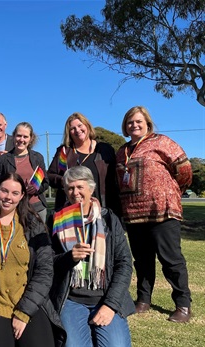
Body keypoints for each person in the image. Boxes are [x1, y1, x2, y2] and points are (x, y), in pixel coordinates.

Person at [0, 173, 65, 347]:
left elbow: (45, 272)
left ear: (22, 196)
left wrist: (24, 312)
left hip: (29, 301)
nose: (8, 197)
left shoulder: (34, 224)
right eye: (4, 191)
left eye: (15, 193)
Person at [116, 106, 193, 323]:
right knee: (142, 259)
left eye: (139, 121)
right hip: (133, 213)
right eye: (130, 122)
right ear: (125, 126)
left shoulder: (162, 142)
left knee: (171, 260)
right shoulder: (121, 151)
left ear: (148, 124)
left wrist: (171, 190)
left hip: (162, 210)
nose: (135, 125)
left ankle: (183, 305)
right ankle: (143, 299)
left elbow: (184, 169)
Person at [50, 166, 134, 347]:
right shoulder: (56, 220)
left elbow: (124, 263)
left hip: (104, 296)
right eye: (70, 188)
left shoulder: (109, 219)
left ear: (91, 188)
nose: (75, 192)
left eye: (80, 187)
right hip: (71, 298)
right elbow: (47, 262)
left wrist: (110, 305)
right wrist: (68, 258)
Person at [47, 112, 120, 213]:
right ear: (69, 133)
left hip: (102, 208)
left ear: (87, 126)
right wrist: (63, 180)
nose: (77, 130)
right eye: (72, 129)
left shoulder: (105, 149)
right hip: (72, 210)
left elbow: (115, 178)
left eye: (80, 125)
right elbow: (49, 176)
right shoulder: (64, 152)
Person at [0, 122, 49, 223]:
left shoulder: (38, 158)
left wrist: (36, 189)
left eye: (25, 137)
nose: (21, 140)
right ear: (13, 136)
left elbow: (45, 182)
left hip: (37, 208)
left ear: (30, 138)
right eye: (19, 136)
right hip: (12, 209)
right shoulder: (3, 160)